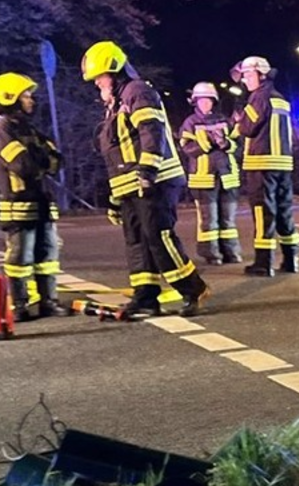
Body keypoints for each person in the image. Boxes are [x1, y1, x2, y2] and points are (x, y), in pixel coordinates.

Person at [80, 40, 211, 317]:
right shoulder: (116, 103)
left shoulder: (137, 92)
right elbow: (118, 155)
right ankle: (146, 297)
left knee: (159, 237)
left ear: (114, 71)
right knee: (137, 240)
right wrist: (116, 198)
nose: (97, 83)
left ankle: (193, 289)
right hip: (131, 186)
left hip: (156, 181)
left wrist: (148, 171)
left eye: (100, 77)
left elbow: (151, 131)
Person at [0, 72, 70, 321]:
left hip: (40, 203)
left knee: (48, 254)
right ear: (9, 98)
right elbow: (23, 166)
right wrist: (42, 160)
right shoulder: (0, 131)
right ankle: (20, 305)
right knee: (20, 256)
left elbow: (57, 161)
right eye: (26, 96)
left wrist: (41, 160)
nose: (31, 100)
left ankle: (48, 301)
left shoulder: (29, 129)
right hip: (18, 206)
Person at [231, 56, 299, 277]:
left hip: (261, 164)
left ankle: (263, 263)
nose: (244, 80)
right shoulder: (281, 98)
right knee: (284, 211)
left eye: (247, 75)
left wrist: (239, 121)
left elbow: (248, 128)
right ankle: (291, 259)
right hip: (283, 164)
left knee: (263, 213)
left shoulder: (259, 97)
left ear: (261, 75)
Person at [179, 82, 242, 266]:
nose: (205, 103)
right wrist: (208, 142)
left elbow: (238, 145)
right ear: (195, 102)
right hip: (203, 179)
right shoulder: (190, 123)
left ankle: (231, 252)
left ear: (214, 101)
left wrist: (226, 144)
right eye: (202, 100)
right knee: (209, 220)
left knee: (228, 220)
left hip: (227, 177)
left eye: (208, 100)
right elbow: (187, 148)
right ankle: (212, 254)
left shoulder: (224, 120)